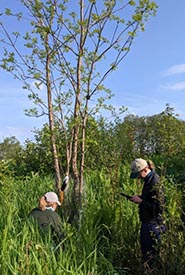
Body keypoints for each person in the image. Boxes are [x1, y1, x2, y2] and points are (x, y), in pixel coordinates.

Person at [129, 158, 165, 272]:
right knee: (147, 256)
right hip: (148, 223)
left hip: (153, 225)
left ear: (145, 169)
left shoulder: (155, 182)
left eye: (138, 175)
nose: (138, 178)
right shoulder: (149, 180)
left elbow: (160, 207)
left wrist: (141, 202)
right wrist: (140, 197)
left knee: (150, 258)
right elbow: (151, 200)